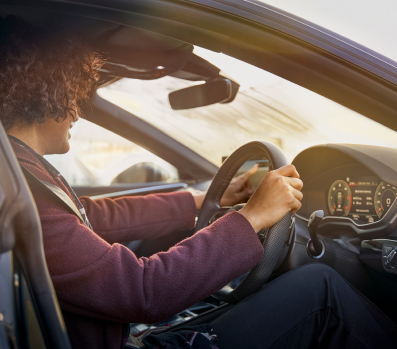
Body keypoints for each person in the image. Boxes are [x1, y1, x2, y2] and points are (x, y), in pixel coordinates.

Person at [1, 15, 396, 349]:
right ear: (46, 91)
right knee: (320, 289)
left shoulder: (21, 174)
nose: (78, 109)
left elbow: (92, 215)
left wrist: (201, 200)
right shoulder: (22, 190)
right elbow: (145, 291)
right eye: (74, 91)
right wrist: (251, 218)